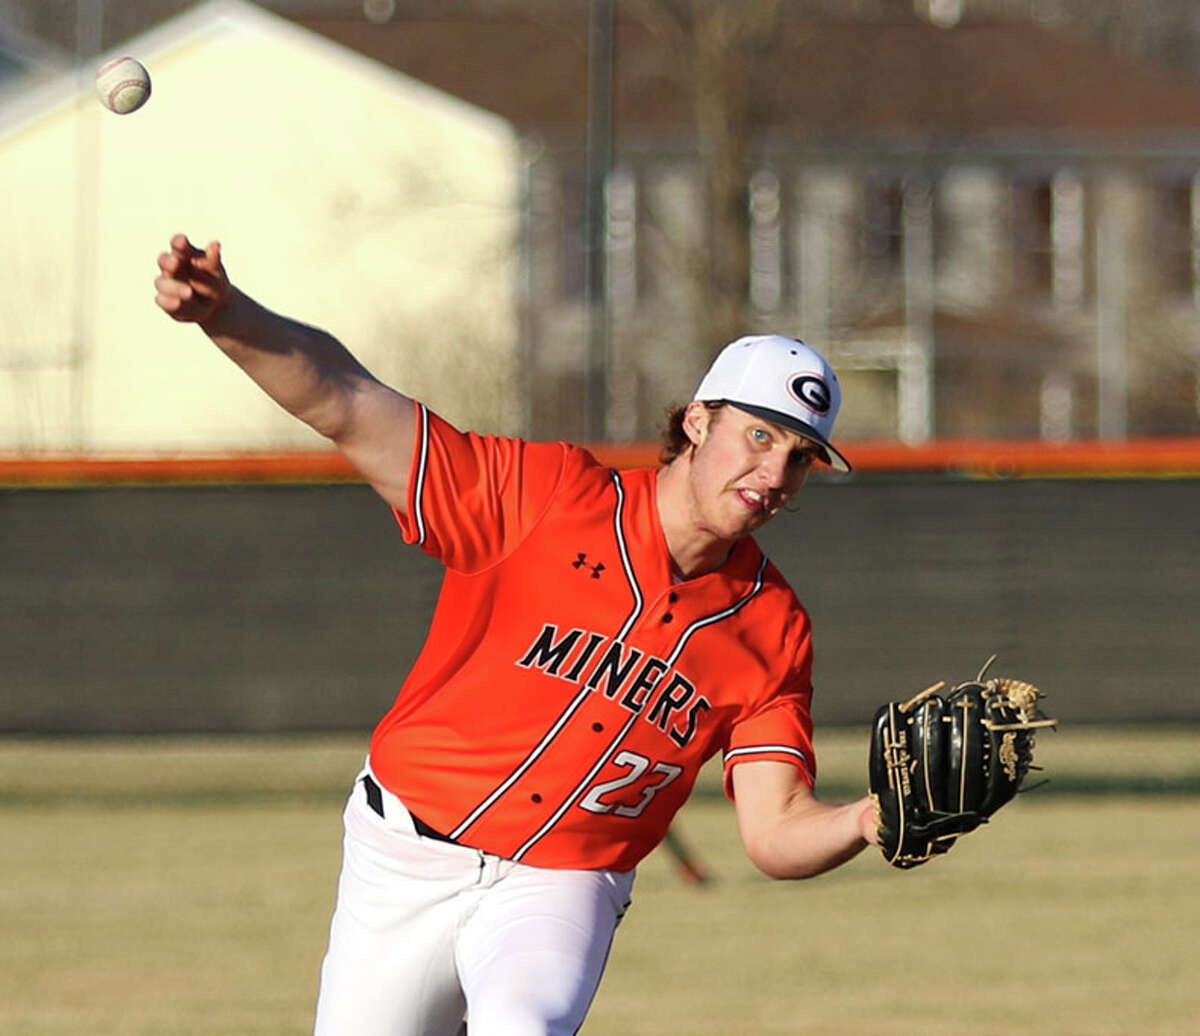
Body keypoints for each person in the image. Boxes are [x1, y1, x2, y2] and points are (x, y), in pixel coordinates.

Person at [154, 233, 879, 1036]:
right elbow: (346, 401)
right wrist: (228, 315)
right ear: (699, 421)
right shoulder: (545, 498)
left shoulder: (772, 627)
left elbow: (775, 833)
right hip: (404, 854)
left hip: (565, 883)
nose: (775, 475)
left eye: (802, 457)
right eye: (760, 435)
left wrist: (866, 822)